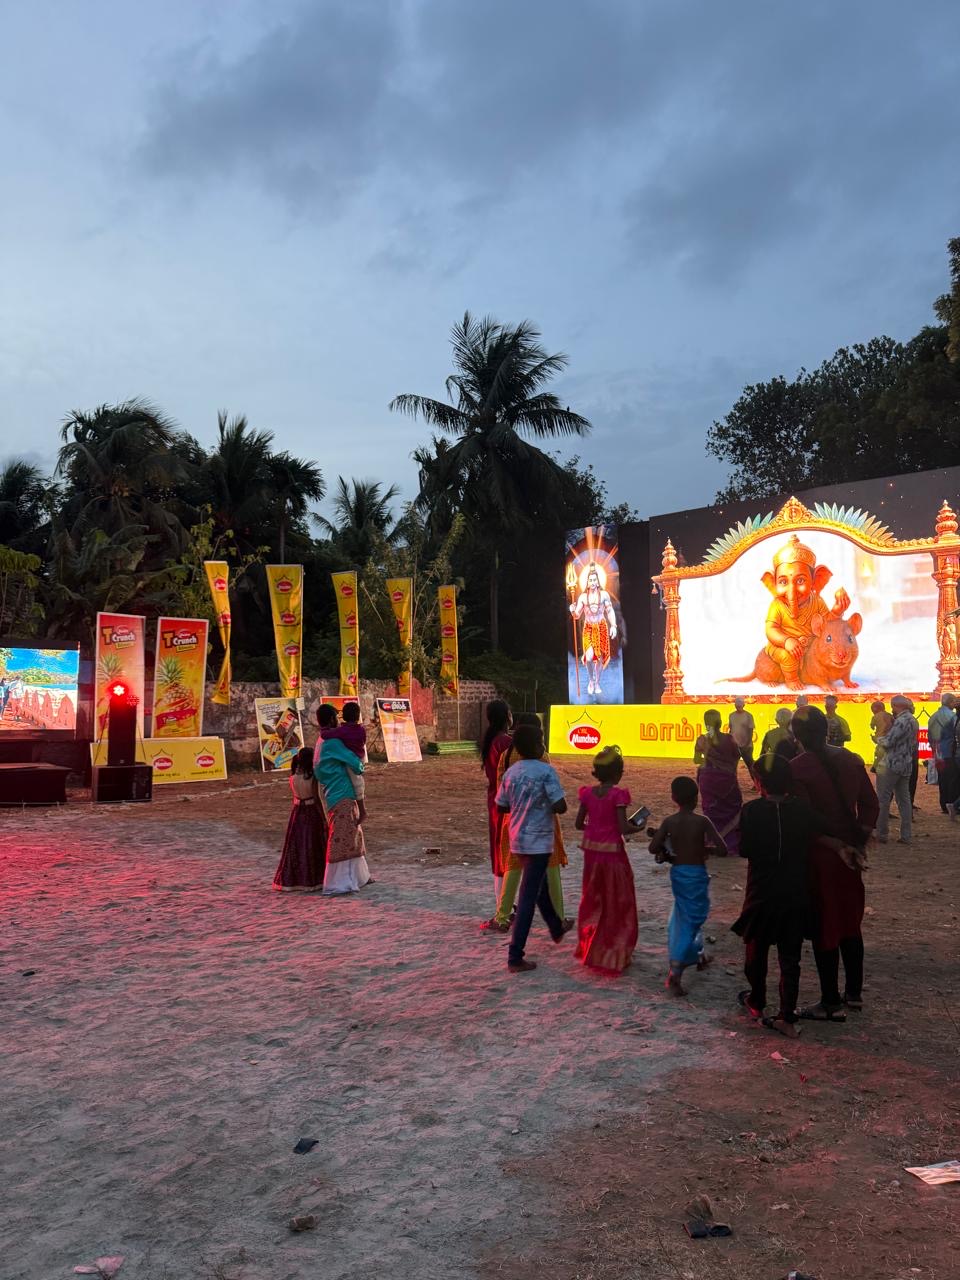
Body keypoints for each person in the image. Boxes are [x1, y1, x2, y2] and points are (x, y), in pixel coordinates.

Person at [733, 752, 841, 1036]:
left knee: (756, 949)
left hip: (762, 891)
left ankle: (756, 1000)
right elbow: (828, 828)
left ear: (759, 782)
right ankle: (786, 1016)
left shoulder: (752, 811)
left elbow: (744, 850)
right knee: (790, 957)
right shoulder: (802, 808)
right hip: (795, 891)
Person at [789, 706, 878, 1020]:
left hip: (819, 857)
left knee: (824, 924)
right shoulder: (851, 760)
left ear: (795, 735)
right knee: (850, 922)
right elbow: (870, 805)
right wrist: (857, 843)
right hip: (850, 857)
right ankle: (853, 994)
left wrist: (835, 844)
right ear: (827, 730)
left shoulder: (796, 769)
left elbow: (802, 821)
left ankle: (830, 1001)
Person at [495, 723, 572, 973]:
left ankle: (556, 926)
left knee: (538, 889)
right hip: (539, 840)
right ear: (538, 746)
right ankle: (515, 956)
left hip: (517, 838)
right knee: (529, 896)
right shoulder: (546, 771)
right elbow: (560, 806)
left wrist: (521, 805)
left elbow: (501, 806)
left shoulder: (511, 772)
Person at [483, 713, 568, 933]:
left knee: (513, 868)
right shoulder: (544, 761)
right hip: (542, 824)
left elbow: (502, 798)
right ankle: (559, 917)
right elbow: (557, 801)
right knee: (551, 868)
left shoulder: (506, 756)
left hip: (515, 823)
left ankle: (502, 917)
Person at [648, 776, 724, 996]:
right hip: (697, 874)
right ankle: (676, 971)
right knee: (694, 918)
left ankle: (699, 954)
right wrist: (704, 849)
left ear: (674, 798)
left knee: (685, 915)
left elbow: (653, 848)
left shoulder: (669, 822)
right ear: (697, 798)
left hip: (679, 874)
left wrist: (667, 844)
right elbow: (722, 849)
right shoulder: (703, 821)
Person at [573, 745, 639, 973]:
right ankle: (613, 951)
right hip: (613, 854)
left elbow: (579, 824)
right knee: (618, 902)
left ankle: (589, 945)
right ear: (618, 773)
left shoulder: (587, 794)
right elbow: (623, 827)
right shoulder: (618, 795)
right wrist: (638, 827)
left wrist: (596, 826)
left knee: (593, 899)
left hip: (591, 854)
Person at [314, 703, 371, 895]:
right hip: (342, 793)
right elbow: (355, 764)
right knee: (343, 838)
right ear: (332, 719)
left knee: (352, 833)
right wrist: (361, 764)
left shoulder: (322, 741)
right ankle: (339, 882)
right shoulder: (333, 743)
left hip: (332, 793)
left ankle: (357, 876)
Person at [273, 747, 328, 892]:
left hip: (297, 812)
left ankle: (294, 880)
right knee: (312, 845)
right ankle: (315, 879)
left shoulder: (293, 776)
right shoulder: (313, 776)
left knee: (296, 846)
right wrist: (323, 818)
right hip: (311, 811)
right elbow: (317, 798)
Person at [693, 709, 743, 855]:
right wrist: (729, 770)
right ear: (720, 722)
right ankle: (730, 843)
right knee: (732, 810)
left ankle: (711, 841)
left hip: (707, 778)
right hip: (728, 779)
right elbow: (736, 757)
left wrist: (709, 759)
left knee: (710, 810)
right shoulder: (730, 739)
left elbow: (696, 760)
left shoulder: (702, 740)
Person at [481, 699, 513, 911]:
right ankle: (505, 904)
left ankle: (504, 902)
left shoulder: (491, 740)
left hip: (496, 799)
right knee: (507, 851)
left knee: (499, 848)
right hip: (507, 802)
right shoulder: (505, 742)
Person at [875, 695, 919, 844]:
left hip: (892, 763)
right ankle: (906, 835)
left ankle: (882, 833)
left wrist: (877, 739)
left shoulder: (901, 721)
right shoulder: (913, 720)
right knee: (904, 799)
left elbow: (888, 742)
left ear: (895, 706)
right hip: (906, 762)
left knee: (883, 798)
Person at [569, 565, 618, 698]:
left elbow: (609, 611)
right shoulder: (583, 597)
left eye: (594, 580)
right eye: (590, 580)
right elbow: (577, 615)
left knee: (601, 658)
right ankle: (591, 680)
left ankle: (597, 682)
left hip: (601, 626)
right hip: (589, 628)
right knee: (590, 657)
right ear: (587, 582)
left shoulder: (604, 595)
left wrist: (613, 625)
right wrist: (572, 610)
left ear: (598, 581)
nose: (592, 582)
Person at [928, 693, 957, 815]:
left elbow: (930, 736)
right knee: (953, 779)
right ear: (950, 702)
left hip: (937, 752)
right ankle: (951, 804)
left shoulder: (933, 716)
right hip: (950, 751)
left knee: (942, 779)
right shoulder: (952, 716)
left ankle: (943, 805)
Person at [728, 697, 756, 769]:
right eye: (737, 706)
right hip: (735, 746)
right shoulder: (731, 716)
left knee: (751, 767)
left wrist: (746, 745)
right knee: (732, 766)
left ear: (743, 705)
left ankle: (757, 779)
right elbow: (731, 730)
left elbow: (750, 731)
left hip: (747, 746)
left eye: (740, 706)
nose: (738, 707)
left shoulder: (748, 716)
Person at [869, 700, 892, 772]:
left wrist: (873, 737)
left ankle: (875, 767)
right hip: (890, 739)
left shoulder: (875, 717)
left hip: (880, 738)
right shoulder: (889, 715)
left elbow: (872, 727)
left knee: (879, 754)